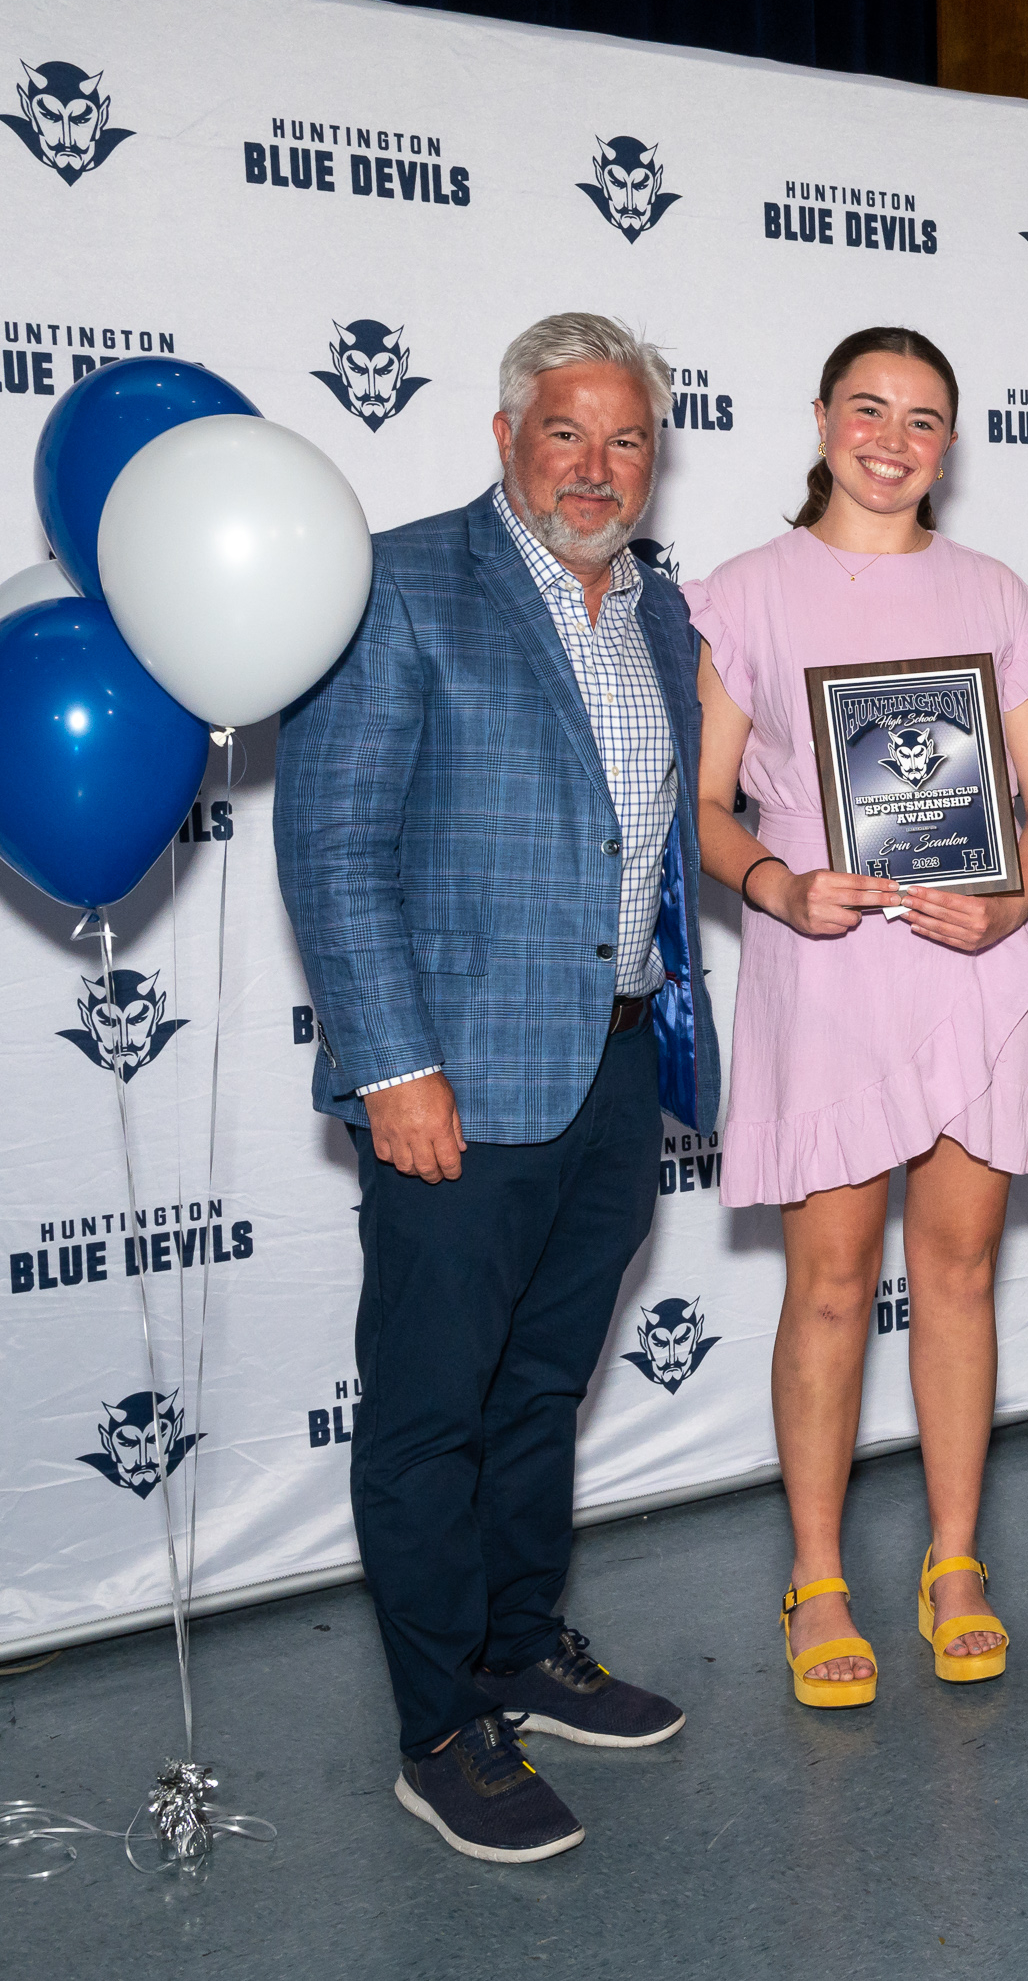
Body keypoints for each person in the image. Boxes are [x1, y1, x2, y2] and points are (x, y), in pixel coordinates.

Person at [277, 312, 721, 1864]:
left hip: (611, 1062)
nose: (597, 469)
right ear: (506, 436)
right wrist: (394, 1066)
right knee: (426, 1414)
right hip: (453, 1077)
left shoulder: (660, 618)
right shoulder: (404, 585)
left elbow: (660, 844)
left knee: (541, 1391)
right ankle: (439, 1727)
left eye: (626, 442)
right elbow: (332, 845)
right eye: (566, 435)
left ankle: (521, 1649)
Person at [686, 326, 1028, 1711]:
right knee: (829, 1282)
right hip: (831, 965)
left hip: (977, 963)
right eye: (869, 408)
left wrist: (1010, 904)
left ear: (951, 444)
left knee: (965, 1274)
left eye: (924, 418)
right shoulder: (743, 597)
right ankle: (816, 1576)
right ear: (818, 419)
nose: (893, 437)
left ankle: (957, 1561)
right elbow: (700, 804)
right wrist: (776, 884)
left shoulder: (993, 596)